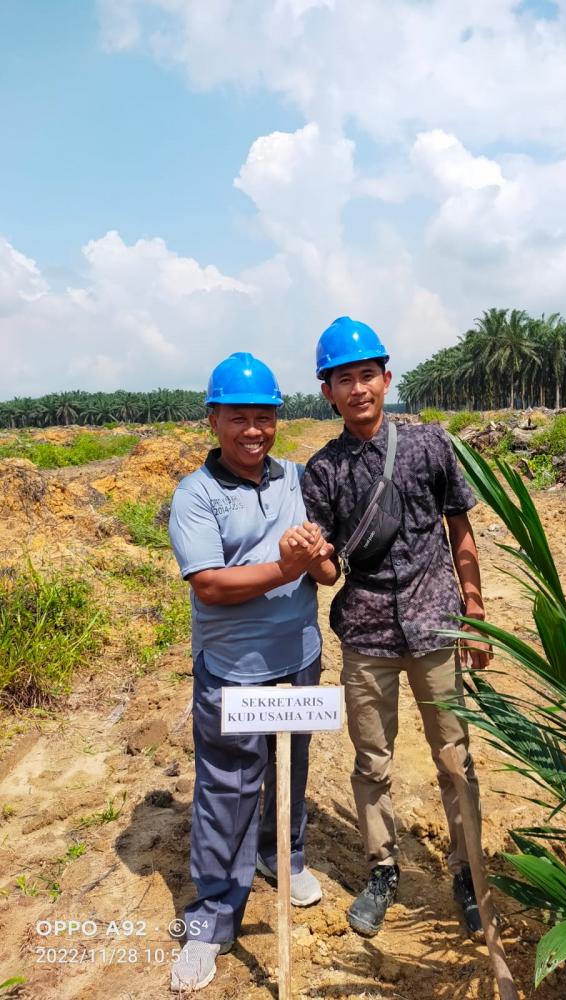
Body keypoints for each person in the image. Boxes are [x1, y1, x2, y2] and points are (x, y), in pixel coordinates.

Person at [302, 316, 491, 939]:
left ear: (386, 378)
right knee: (371, 763)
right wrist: (313, 556)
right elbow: (329, 572)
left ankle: (468, 874)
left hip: (437, 622)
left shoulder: (430, 445)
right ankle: (382, 870)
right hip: (366, 635)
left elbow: (458, 529)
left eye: (366, 375)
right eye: (342, 380)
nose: (357, 389)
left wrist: (476, 610)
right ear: (327, 393)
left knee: (455, 759)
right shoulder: (323, 472)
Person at [167, 352, 338, 992]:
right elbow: (210, 585)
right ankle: (212, 919)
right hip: (232, 670)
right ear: (213, 420)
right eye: (237, 417)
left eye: (264, 416)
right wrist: (286, 568)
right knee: (228, 788)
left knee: (291, 766)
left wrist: (315, 557)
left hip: (297, 659)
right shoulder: (197, 494)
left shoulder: (297, 477)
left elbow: (328, 568)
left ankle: (282, 856)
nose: (252, 431)